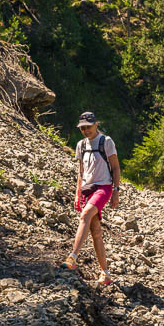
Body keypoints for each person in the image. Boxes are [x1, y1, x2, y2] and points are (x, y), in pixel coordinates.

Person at [62, 111, 120, 285]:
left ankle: (72, 257)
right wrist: (77, 193)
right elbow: (81, 172)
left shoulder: (106, 142)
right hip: (87, 190)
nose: (86, 131)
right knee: (95, 231)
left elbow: (116, 168)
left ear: (96, 125)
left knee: (85, 215)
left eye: (88, 127)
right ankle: (105, 273)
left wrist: (116, 191)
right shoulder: (81, 145)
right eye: (82, 128)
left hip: (103, 187)